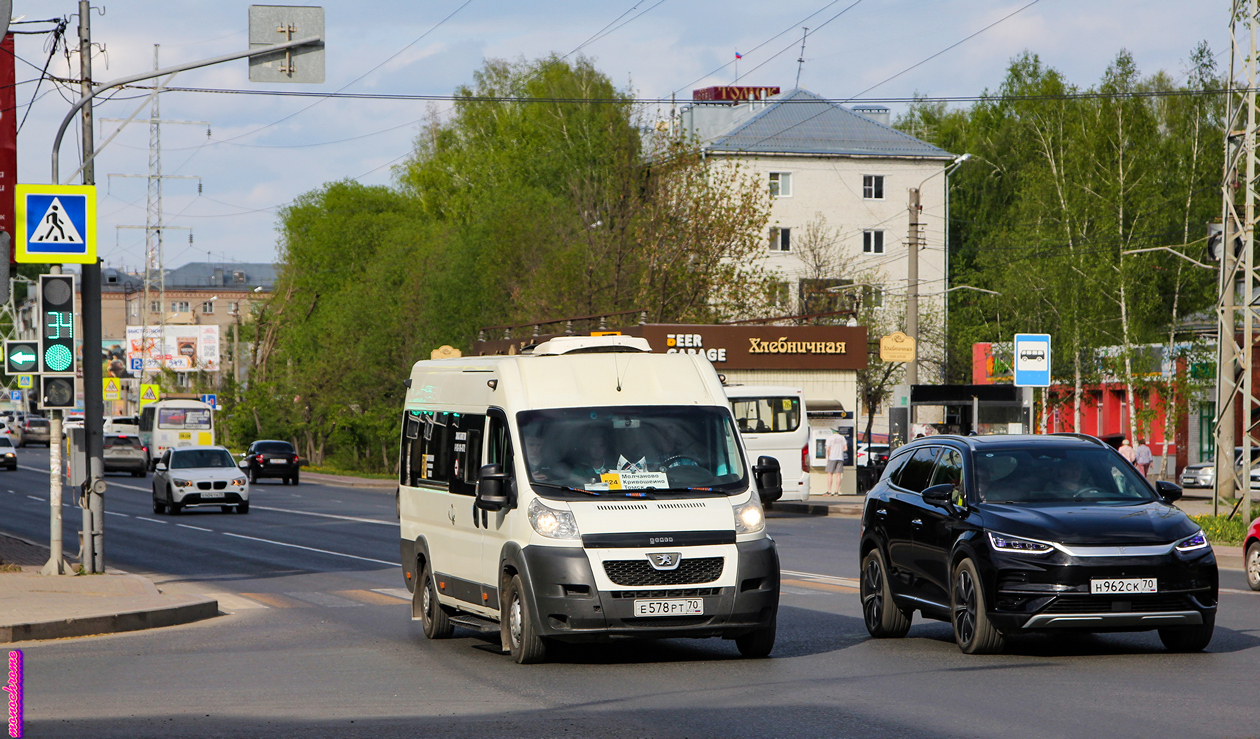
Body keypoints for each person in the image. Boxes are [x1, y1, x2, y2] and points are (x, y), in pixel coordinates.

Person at [824, 429, 847, 496]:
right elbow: (845, 448)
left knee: (830, 474)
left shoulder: (830, 438)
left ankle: (829, 491)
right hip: (840, 457)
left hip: (832, 457)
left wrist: (829, 457)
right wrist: (839, 450)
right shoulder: (842, 438)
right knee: (838, 475)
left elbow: (828, 449)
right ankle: (836, 491)